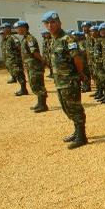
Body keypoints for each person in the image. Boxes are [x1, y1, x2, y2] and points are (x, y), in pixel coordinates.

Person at [42, 11, 89, 149]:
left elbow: (77, 59)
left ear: (59, 23)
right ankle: (76, 131)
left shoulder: (68, 39)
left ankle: (82, 136)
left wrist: (80, 74)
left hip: (69, 80)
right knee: (66, 107)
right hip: (60, 81)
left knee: (75, 107)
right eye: (47, 23)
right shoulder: (53, 40)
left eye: (53, 22)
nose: (50, 25)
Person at [14, 20, 48, 112]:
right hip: (30, 66)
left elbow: (35, 52)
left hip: (34, 66)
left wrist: (43, 61)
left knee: (38, 85)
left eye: (17, 28)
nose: (16, 30)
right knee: (34, 84)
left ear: (23, 28)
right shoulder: (25, 38)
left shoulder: (29, 39)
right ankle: (39, 103)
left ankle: (43, 105)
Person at [1, 23, 28, 96]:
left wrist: (22, 58)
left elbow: (20, 48)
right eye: (2, 28)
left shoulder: (13, 38)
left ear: (8, 28)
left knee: (19, 73)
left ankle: (24, 89)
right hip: (11, 60)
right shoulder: (7, 38)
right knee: (17, 74)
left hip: (16, 60)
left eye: (4, 28)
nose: (2, 30)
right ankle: (23, 89)